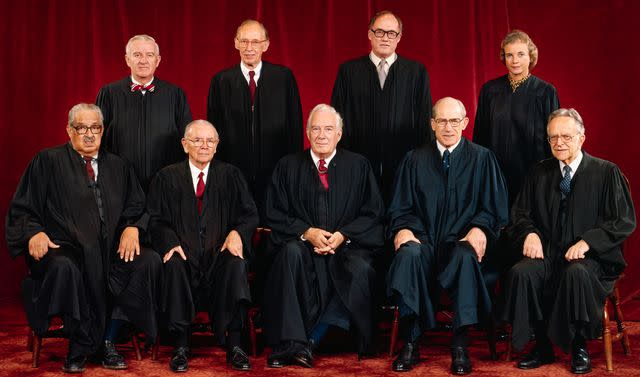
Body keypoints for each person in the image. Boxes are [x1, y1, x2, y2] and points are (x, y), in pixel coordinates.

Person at [6, 103, 162, 373]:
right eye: (81, 127)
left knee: (146, 261)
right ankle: (79, 344)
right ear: (69, 130)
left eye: (95, 128)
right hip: (65, 247)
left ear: (103, 131)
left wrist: (133, 227)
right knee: (68, 265)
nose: (89, 134)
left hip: (111, 247)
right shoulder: (47, 161)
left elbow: (137, 206)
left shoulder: (119, 165)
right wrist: (35, 232)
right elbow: (23, 208)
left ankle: (109, 338)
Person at [500, 108, 636, 374]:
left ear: (581, 138)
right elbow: (520, 214)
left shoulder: (606, 172)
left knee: (575, 274)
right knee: (522, 272)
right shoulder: (538, 172)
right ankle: (541, 345)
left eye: (566, 137)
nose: (559, 143)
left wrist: (588, 242)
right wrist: (529, 233)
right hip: (549, 253)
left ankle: (578, 345)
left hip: (591, 259)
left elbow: (623, 220)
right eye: (553, 138)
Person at [387, 97, 508, 374]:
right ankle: (411, 342)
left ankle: (460, 345)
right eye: (442, 120)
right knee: (408, 254)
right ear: (432, 124)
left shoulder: (482, 158)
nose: (448, 127)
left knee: (466, 257)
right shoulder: (414, 159)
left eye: (454, 121)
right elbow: (399, 207)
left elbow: (494, 208)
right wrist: (403, 228)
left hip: (462, 242)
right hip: (425, 241)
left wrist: (479, 227)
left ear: (465, 123)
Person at [263, 104, 385, 368]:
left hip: (349, 245)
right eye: (316, 129)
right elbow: (273, 211)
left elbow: (373, 212)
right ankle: (291, 341)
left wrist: (343, 235)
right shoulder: (288, 166)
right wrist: (307, 232)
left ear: (339, 134)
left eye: (328, 129)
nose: (321, 135)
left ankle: (310, 341)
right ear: (307, 132)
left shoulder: (358, 165)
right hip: (303, 244)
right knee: (289, 254)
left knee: (360, 270)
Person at [147, 120, 259, 372]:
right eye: (197, 140)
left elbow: (250, 214)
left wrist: (237, 233)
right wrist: (171, 243)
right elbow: (155, 218)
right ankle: (181, 346)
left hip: (219, 256)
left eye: (210, 141)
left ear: (217, 146)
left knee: (236, 264)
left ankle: (235, 344)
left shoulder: (231, 175)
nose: (204, 146)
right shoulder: (167, 177)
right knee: (173, 265)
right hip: (185, 257)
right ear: (185, 145)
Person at [331, 10, 432, 204]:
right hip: (358, 162)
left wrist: (421, 162)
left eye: (391, 33)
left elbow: (424, 119)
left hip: (403, 163)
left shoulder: (416, 72)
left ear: (399, 37)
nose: (385, 38)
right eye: (379, 32)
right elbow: (337, 119)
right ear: (370, 34)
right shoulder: (349, 71)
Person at [207, 19, 303, 214]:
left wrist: (293, 170)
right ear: (236, 43)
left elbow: (295, 126)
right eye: (244, 41)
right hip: (233, 172)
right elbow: (213, 130)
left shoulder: (283, 78)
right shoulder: (221, 81)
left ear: (265, 45)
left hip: (275, 172)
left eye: (255, 42)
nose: (249, 48)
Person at [473, 29, 560, 206]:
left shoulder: (545, 92)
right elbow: (480, 136)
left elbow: (554, 137)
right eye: (509, 55)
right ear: (503, 57)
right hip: (496, 175)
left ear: (531, 56)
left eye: (520, 54)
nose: (515, 60)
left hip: (534, 174)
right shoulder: (490, 90)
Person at [96, 34, 192, 191]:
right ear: (127, 59)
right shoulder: (109, 93)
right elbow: (98, 139)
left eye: (149, 55)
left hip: (166, 184)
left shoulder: (175, 94)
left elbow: (187, 140)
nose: (143, 60)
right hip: (120, 184)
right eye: (137, 55)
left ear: (158, 60)